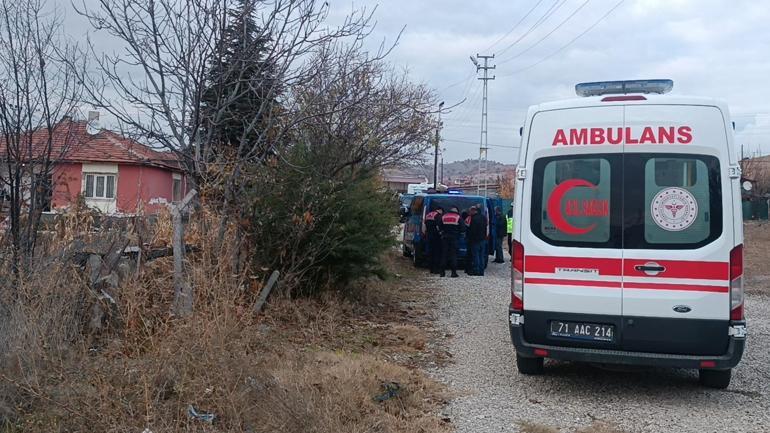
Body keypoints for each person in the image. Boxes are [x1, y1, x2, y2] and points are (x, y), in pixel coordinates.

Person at [440, 206, 465, 278]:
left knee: (444, 255)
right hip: (454, 238)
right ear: (456, 211)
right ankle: (453, 273)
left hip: (445, 238)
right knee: (453, 255)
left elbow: (439, 226)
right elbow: (463, 228)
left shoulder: (444, 216)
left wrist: (442, 233)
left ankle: (442, 272)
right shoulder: (458, 217)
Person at [467, 205, 488, 276]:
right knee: (481, 256)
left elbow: (472, 230)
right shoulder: (483, 218)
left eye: (470, 211)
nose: (469, 212)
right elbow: (486, 228)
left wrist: (469, 238)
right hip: (483, 239)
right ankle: (481, 271)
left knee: (476, 256)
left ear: (474, 211)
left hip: (475, 240)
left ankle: (476, 270)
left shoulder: (474, 218)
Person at [425, 207, 444, 274]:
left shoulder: (429, 215)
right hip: (436, 236)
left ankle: (431, 268)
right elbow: (438, 226)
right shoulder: (438, 215)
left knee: (431, 252)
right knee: (437, 253)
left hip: (429, 235)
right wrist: (441, 233)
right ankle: (436, 269)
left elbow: (425, 224)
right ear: (440, 210)